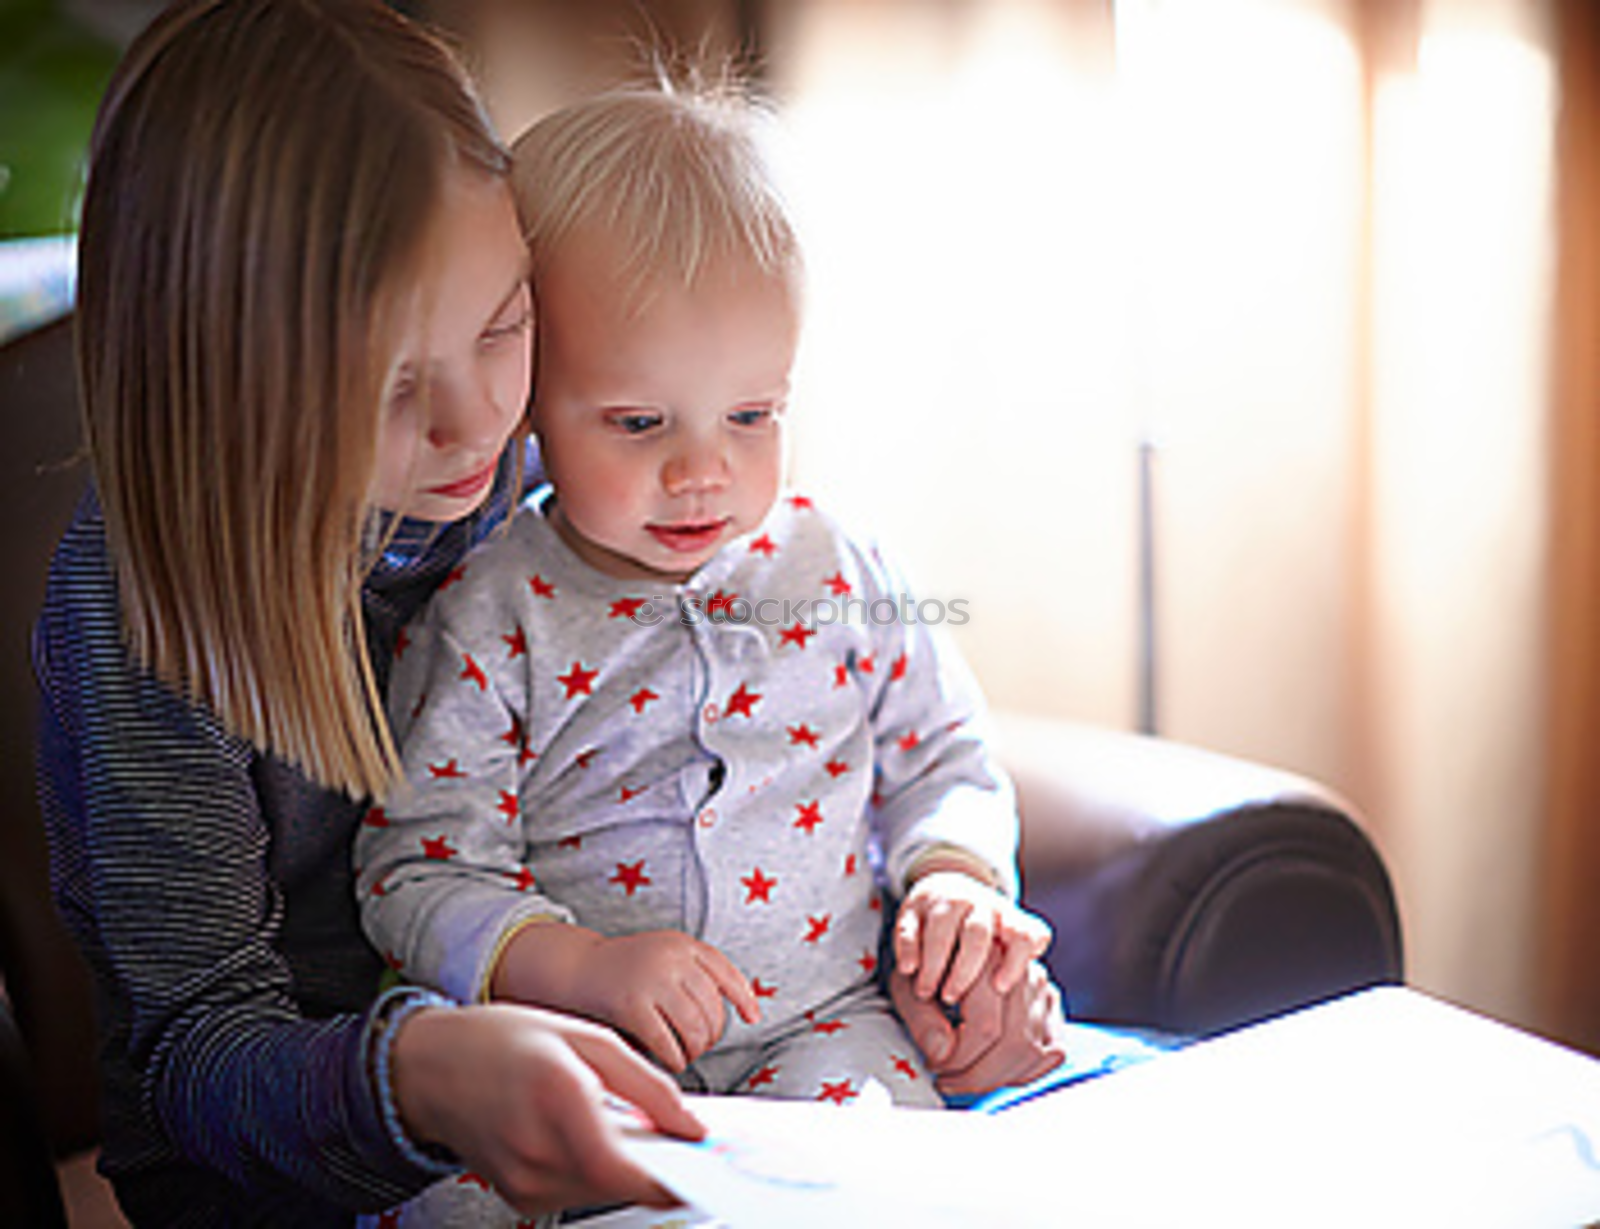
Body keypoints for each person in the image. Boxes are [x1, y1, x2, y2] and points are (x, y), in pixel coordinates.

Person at [33, 2, 711, 1225]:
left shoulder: (534, 463)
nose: (477, 425)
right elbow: (197, 1056)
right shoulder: (147, 610)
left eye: (503, 325)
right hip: (287, 1166)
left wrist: (932, 879)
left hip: (582, 1057)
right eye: (390, 383)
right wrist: (425, 1074)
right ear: (226, 366)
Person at [356, 83, 1065, 1224]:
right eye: (639, 423)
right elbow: (414, 869)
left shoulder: (839, 565)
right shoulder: (494, 611)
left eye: (752, 413)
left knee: (896, 1190)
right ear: (531, 398)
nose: (703, 472)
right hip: (576, 1051)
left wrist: (953, 877)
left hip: (822, 1028)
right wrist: (574, 967)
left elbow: (946, 758)